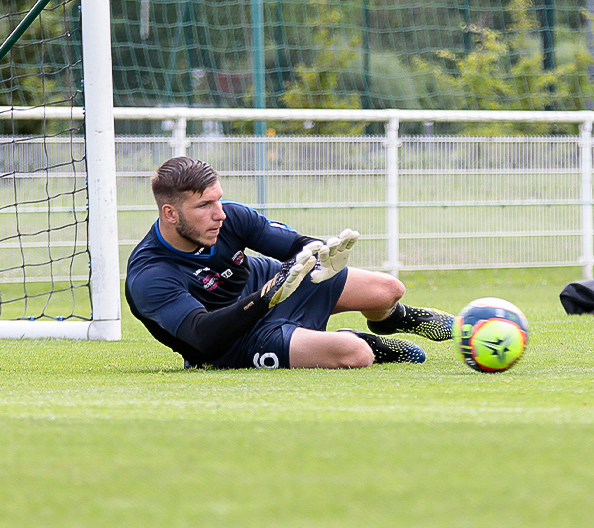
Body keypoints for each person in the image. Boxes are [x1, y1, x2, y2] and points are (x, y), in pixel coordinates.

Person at [125, 156, 454, 369]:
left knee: (388, 289)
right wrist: (265, 298)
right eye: (204, 205)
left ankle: (391, 320)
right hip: (228, 343)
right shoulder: (150, 275)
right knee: (356, 355)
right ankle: (357, 339)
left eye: (219, 199)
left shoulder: (230, 218)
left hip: (267, 286)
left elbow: (295, 246)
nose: (219, 213)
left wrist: (322, 252)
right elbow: (202, 335)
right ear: (170, 213)